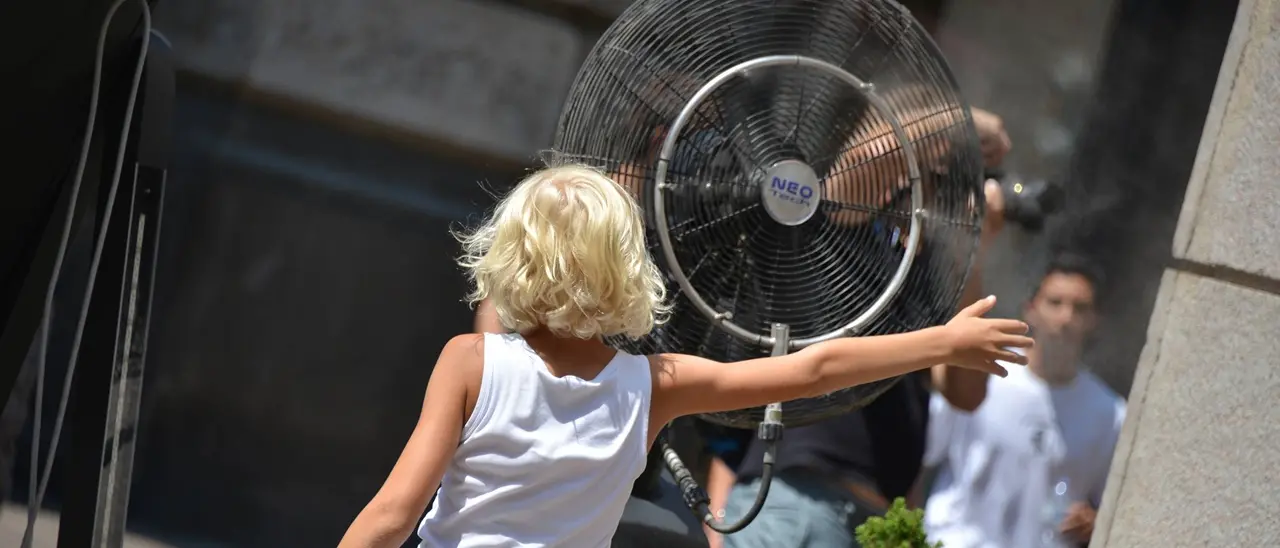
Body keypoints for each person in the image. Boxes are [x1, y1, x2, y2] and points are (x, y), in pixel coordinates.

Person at [337, 164, 1032, 547]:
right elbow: (812, 370)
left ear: (512, 258)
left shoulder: (471, 360)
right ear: (625, 268)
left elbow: (394, 514)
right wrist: (944, 341)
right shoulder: (655, 385)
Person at [712, 106, 1013, 548]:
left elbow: (965, 392)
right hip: (798, 498)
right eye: (935, 176)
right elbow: (871, 153)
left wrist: (970, 249)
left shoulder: (928, 274)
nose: (937, 192)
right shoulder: (835, 233)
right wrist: (958, 119)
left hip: (871, 522)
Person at [922, 253, 1125, 548]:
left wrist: (1094, 522)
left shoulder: (1111, 413)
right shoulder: (984, 373)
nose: (1066, 318)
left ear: (1094, 320)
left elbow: (1109, 507)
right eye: (1055, 303)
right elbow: (926, 451)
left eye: (1079, 308)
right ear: (1031, 310)